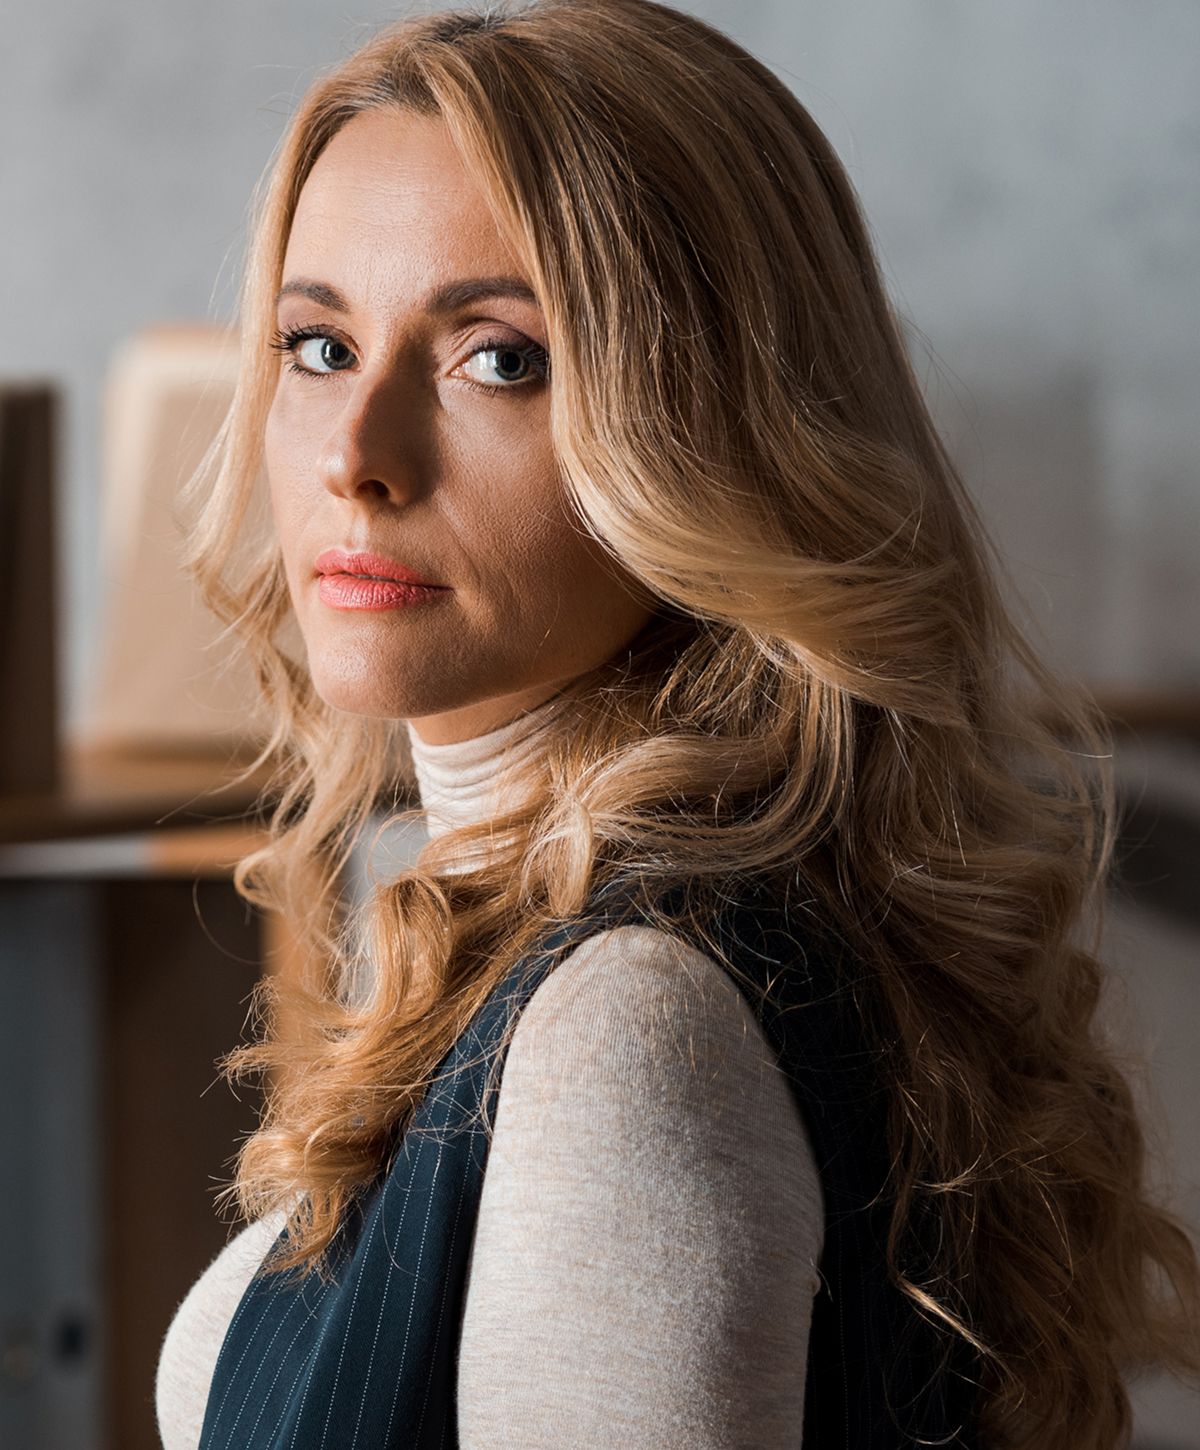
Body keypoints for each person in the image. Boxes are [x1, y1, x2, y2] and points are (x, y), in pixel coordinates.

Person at [154, 0, 1200, 1446]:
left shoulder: (626, 1028)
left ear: (706, 431)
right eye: (318, 344)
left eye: (498, 358)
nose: (357, 455)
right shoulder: (602, 946)